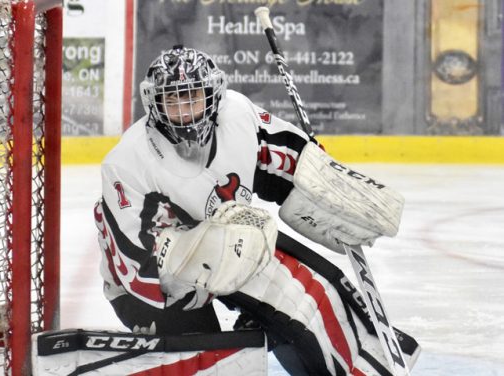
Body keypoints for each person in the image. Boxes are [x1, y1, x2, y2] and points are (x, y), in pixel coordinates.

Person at [94, 45, 419, 375]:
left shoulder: (239, 117)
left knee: (307, 296)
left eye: (192, 96)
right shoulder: (128, 162)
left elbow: (288, 165)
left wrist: (331, 191)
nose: (184, 108)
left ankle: (359, 359)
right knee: (206, 358)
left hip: (232, 246)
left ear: (213, 94)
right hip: (157, 285)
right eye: (172, 99)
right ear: (155, 102)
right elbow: (134, 266)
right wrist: (207, 261)